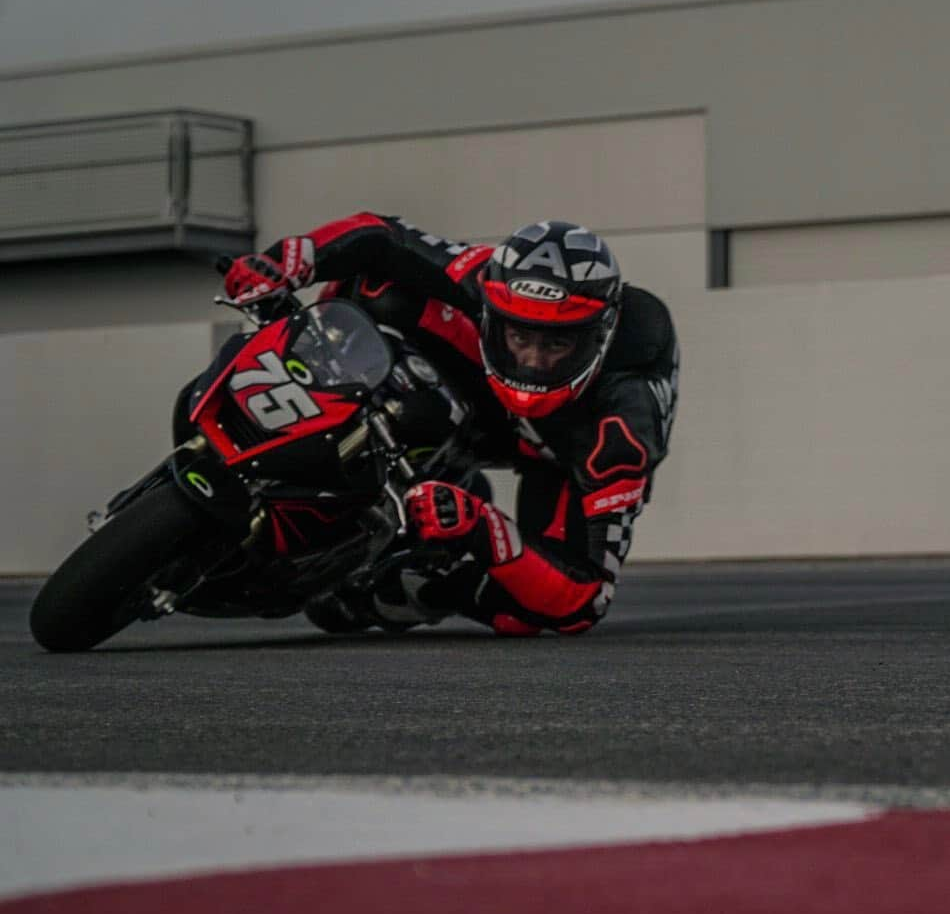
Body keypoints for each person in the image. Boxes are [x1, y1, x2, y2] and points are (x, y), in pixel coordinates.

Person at [221, 215, 679, 635]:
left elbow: (588, 598)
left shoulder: (624, 428)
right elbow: (383, 235)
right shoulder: (481, 274)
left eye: (557, 343)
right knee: (381, 288)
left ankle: (432, 585)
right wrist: (288, 260)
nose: (534, 361)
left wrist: (485, 529)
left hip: (557, 452)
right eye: (519, 336)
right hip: (477, 389)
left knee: (530, 616)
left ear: (597, 336)